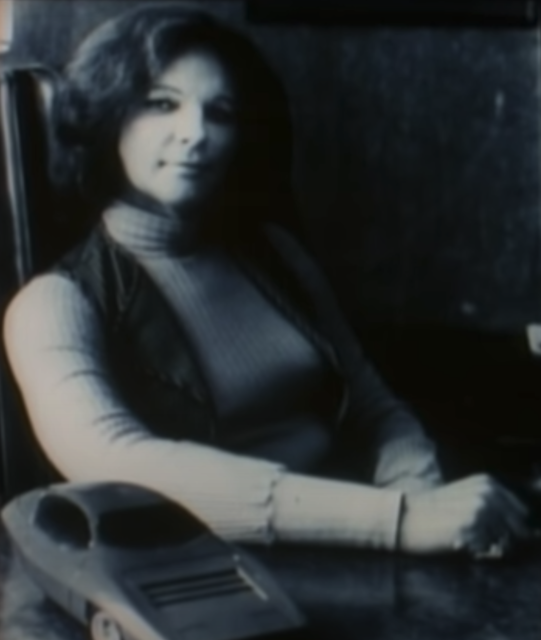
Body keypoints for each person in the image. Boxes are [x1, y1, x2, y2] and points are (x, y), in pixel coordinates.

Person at [3, 4, 532, 557]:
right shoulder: (53, 304)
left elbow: (375, 407)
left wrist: (425, 501)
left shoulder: (272, 252)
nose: (195, 133)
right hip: (212, 578)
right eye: (161, 104)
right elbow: (121, 465)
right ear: (110, 117)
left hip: (366, 548)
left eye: (222, 112)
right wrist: (397, 520)